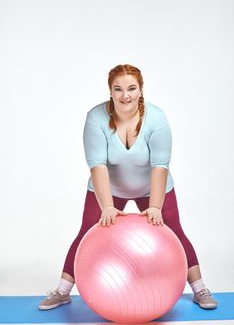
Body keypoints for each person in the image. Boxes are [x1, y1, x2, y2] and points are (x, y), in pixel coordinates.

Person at [38, 64, 217, 311]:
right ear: (110, 91)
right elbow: (97, 165)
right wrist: (107, 207)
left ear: (141, 90)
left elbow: (160, 166)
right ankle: (62, 291)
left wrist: (155, 206)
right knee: (86, 233)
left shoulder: (157, 118)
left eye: (132, 88)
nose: (126, 95)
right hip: (108, 189)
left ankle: (200, 289)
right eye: (118, 89)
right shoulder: (96, 117)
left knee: (174, 231)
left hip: (150, 187)